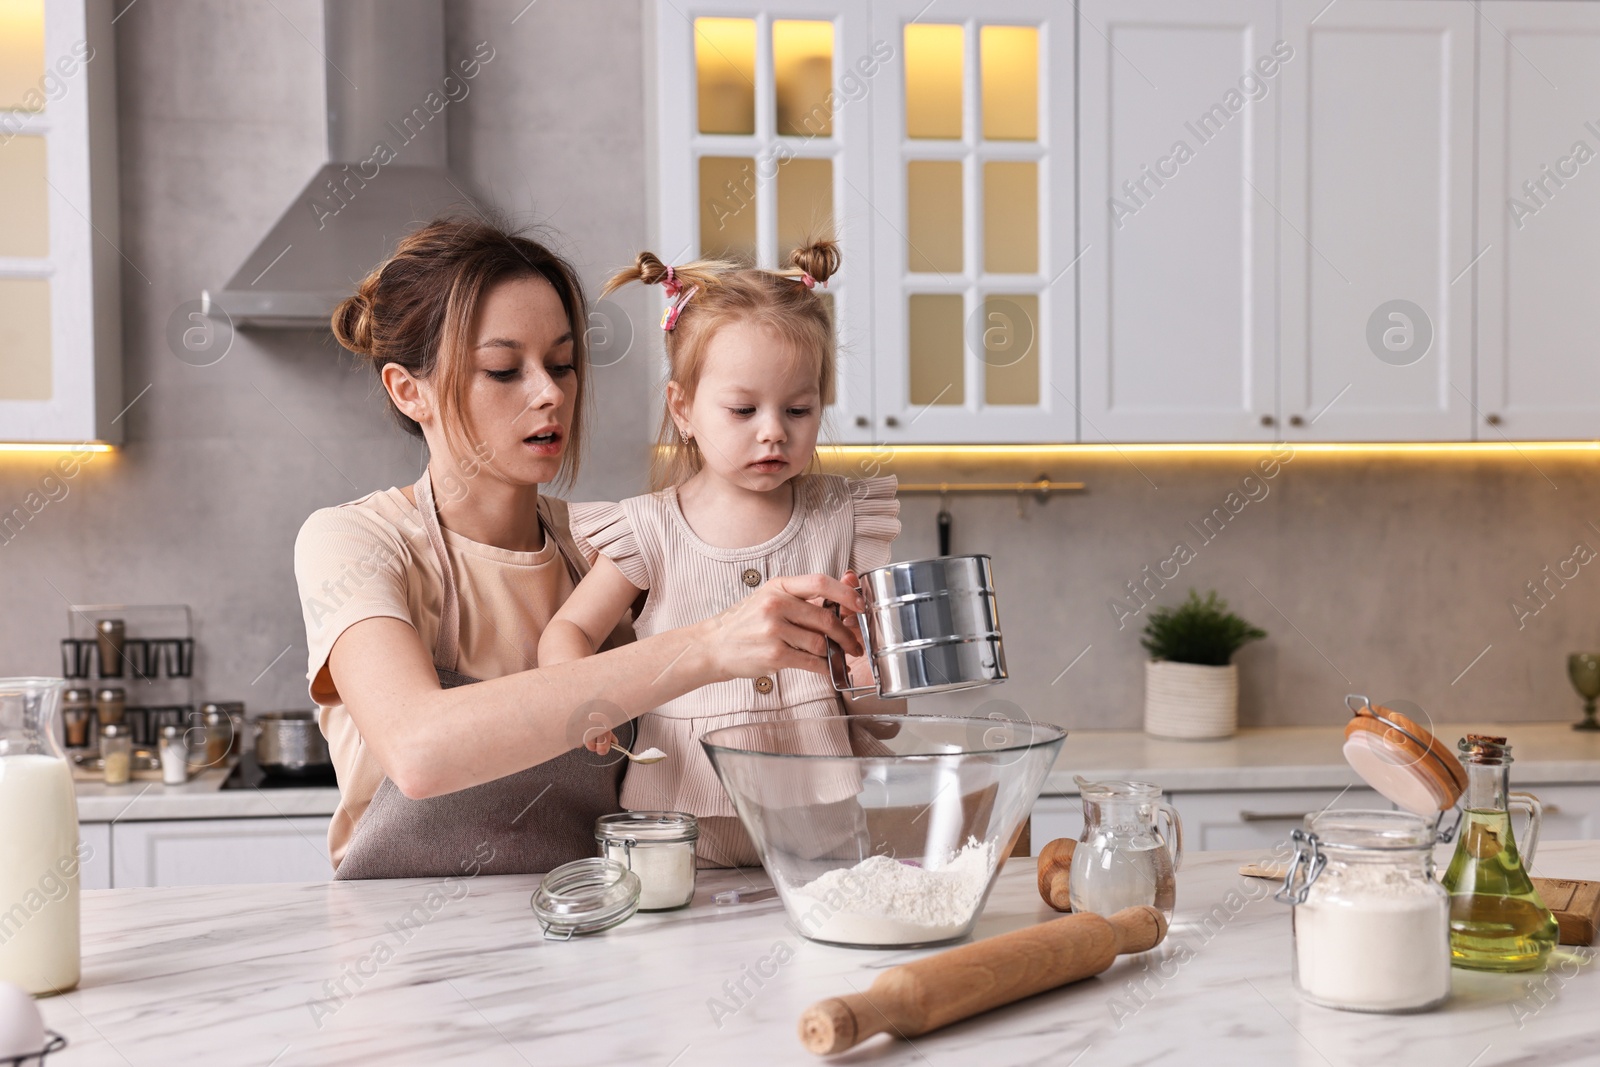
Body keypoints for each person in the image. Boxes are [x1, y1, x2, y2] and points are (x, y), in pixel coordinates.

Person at [293, 217, 866, 879]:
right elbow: (420, 750)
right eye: (505, 369)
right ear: (408, 390)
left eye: (562, 363)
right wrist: (707, 646)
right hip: (408, 951)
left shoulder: (606, 542)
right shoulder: (359, 542)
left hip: (587, 924)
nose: (550, 392)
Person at [538, 239, 903, 867]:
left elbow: (882, 696)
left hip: (818, 822)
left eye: (799, 409)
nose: (773, 431)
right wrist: (585, 701)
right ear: (683, 408)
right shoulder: (650, 528)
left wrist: (871, 679)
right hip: (678, 819)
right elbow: (567, 631)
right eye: (743, 409)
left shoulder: (843, 517)